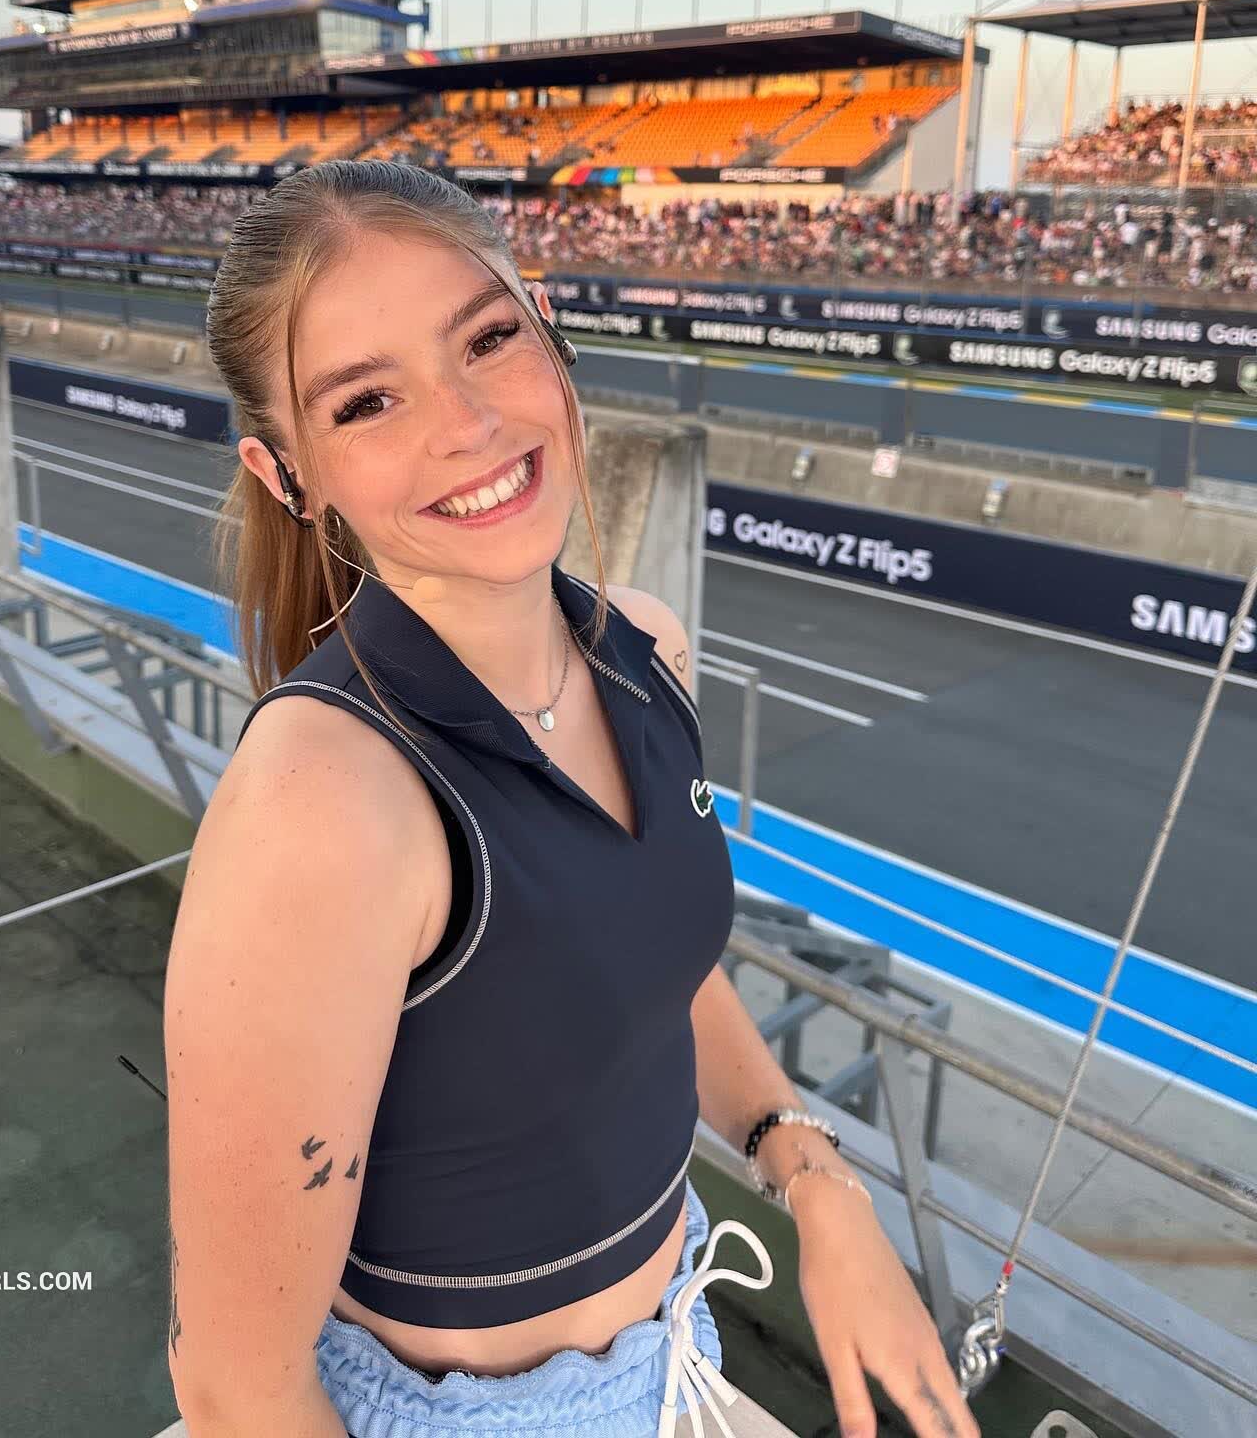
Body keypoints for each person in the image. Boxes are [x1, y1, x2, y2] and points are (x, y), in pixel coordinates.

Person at [167, 159, 977, 1438]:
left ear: (550, 332)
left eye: (488, 339)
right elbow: (234, 1386)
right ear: (288, 477)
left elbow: (644, 971)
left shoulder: (646, 650)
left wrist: (814, 1178)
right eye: (368, 401)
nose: (467, 423)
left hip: (674, 1345)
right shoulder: (324, 804)